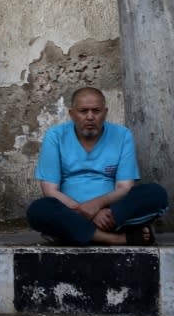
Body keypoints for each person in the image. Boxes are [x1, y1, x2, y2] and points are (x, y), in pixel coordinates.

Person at [27, 87, 168, 246]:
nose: (90, 117)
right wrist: (89, 213)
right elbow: (50, 190)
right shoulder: (56, 136)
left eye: (96, 111)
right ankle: (119, 238)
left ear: (105, 112)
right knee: (39, 210)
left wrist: (98, 207)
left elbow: (124, 187)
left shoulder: (122, 135)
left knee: (156, 194)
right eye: (83, 111)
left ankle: (75, 233)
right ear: (72, 114)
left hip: (112, 214)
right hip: (70, 211)